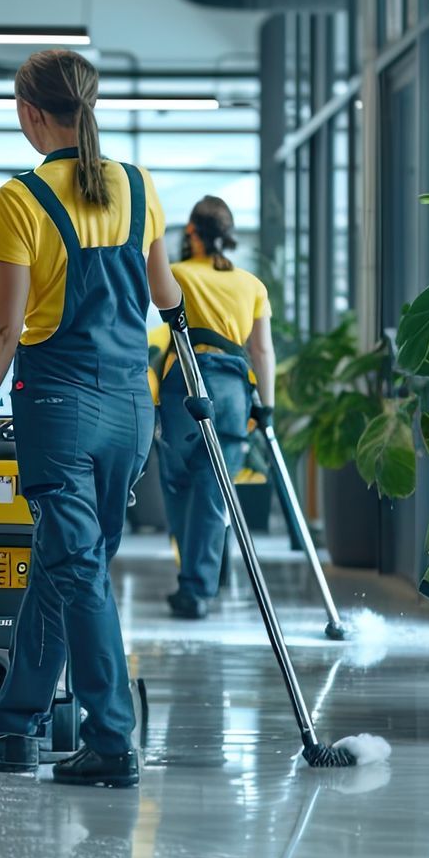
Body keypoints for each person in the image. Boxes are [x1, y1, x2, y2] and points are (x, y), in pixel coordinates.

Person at [0, 48, 184, 788]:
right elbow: (163, 295)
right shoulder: (138, 186)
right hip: (130, 408)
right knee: (67, 566)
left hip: (60, 408)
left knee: (80, 573)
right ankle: (16, 725)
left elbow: (3, 331)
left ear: (31, 113)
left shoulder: (20, 199)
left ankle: (111, 739)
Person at [156, 197, 276, 619]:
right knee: (213, 493)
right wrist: (268, 406)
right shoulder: (251, 285)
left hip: (184, 387)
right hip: (230, 391)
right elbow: (260, 350)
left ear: (191, 232)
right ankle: (200, 583)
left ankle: (193, 579)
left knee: (177, 483)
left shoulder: (176, 275)